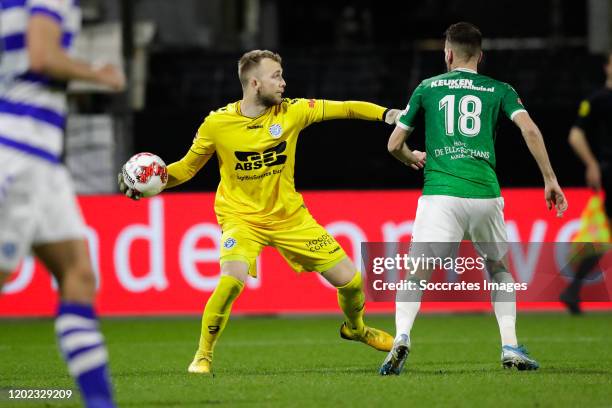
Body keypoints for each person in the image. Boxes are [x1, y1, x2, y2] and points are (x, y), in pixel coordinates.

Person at [119, 49, 401, 375]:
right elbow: (185, 169)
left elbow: (346, 108)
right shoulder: (217, 124)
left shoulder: (292, 112)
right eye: (276, 76)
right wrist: (149, 184)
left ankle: (356, 328)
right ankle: (202, 356)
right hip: (241, 218)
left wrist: (388, 115)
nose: (283, 83)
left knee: (351, 281)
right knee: (230, 282)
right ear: (254, 83)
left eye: (281, 75)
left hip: (289, 217)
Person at [379, 22, 568, 375]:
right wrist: (550, 179)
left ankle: (401, 336)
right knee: (499, 271)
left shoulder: (427, 87)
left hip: (440, 196)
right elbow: (529, 128)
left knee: (415, 275)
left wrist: (410, 157)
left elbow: (393, 144)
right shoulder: (500, 89)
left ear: (447, 53)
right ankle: (510, 346)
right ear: (480, 56)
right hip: (485, 195)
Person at [0, 0, 125, 406]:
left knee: (79, 274)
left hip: (40, 157)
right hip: (19, 152)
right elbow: (42, 56)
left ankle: (99, 401)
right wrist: (97, 74)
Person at [560, 51, 612, 314]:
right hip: (609, 170)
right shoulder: (599, 99)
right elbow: (575, 135)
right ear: (607, 67)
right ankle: (572, 289)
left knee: (606, 237)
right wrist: (592, 164)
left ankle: (572, 290)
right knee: (603, 236)